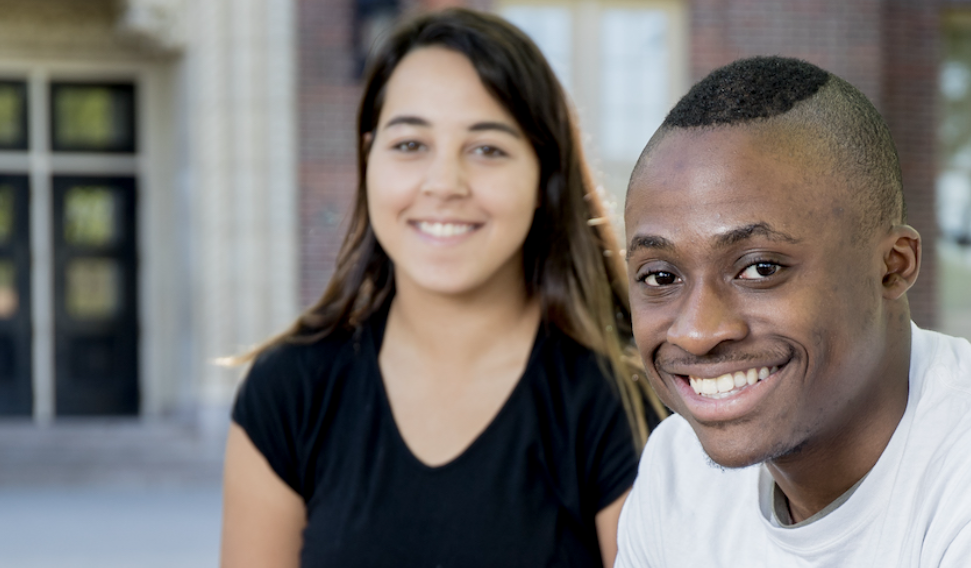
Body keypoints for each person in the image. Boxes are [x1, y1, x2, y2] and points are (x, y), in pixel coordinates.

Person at [612, 55, 971, 567]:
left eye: (761, 268)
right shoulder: (678, 470)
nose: (697, 330)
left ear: (893, 266)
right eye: (661, 277)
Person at [219, 9, 660, 567]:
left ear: (544, 180)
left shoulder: (619, 398)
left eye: (487, 149)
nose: (444, 184)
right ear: (368, 159)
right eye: (410, 145)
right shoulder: (288, 391)